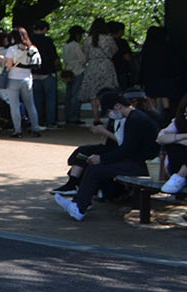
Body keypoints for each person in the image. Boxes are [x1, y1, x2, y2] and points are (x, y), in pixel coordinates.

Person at [52, 90, 160, 221]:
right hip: (141, 161)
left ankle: (79, 206)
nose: (111, 114)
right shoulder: (135, 117)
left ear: (117, 106)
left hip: (141, 165)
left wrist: (102, 158)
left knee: (96, 169)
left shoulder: (135, 120)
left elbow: (127, 149)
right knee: (96, 167)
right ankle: (79, 203)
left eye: (110, 110)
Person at [0, 26, 44, 137]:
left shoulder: (12, 49)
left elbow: (9, 65)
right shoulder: (33, 48)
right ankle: (35, 128)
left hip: (14, 79)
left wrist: (3, 60)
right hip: (27, 79)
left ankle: (17, 130)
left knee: (15, 106)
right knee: (30, 105)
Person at [81, 18, 119, 121]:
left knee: (93, 94)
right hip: (106, 65)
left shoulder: (88, 40)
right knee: (107, 91)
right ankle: (110, 115)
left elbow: (85, 54)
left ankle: (96, 117)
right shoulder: (108, 39)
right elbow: (115, 50)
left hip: (92, 66)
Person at [29, 20, 61, 127]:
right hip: (47, 72)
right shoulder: (48, 41)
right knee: (50, 98)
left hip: (33, 72)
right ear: (45, 29)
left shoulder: (29, 41)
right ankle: (50, 121)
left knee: (37, 98)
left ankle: (37, 120)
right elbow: (54, 56)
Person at [157, 97, 187, 196]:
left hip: (180, 173)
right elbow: (160, 138)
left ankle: (180, 176)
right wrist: (182, 138)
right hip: (175, 166)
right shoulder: (178, 122)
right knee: (173, 145)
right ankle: (179, 177)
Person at [60, 25, 88, 126]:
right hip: (78, 71)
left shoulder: (66, 45)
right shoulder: (76, 45)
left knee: (68, 95)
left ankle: (67, 116)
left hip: (68, 71)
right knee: (76, 95)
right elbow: (83, 59)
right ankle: (74, 116)